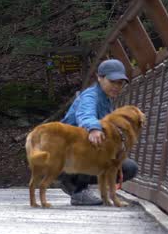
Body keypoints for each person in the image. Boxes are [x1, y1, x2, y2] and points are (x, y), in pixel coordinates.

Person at [59, 58, 139, 205]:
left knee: (129, 168)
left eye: (119, 83)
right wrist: (94, 129)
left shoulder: (106, 100)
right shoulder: (90, 96)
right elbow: (85, 114)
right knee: (93, 145)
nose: (116, 86)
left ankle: (73, 182)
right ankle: (77, 190)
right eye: (112, 81)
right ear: (99, 77)